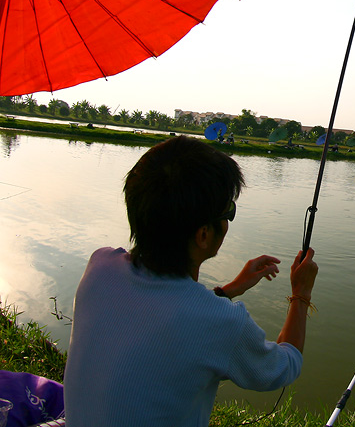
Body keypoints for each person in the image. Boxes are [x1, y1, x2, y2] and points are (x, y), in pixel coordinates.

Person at [63, 136, 318, 427]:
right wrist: (301, 293)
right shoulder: (223, 324)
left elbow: (164, 315)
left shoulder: (100, 266)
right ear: (204, 235)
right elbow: (286, 366)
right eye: (228, 213)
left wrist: (229, 290)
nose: (228, 222)